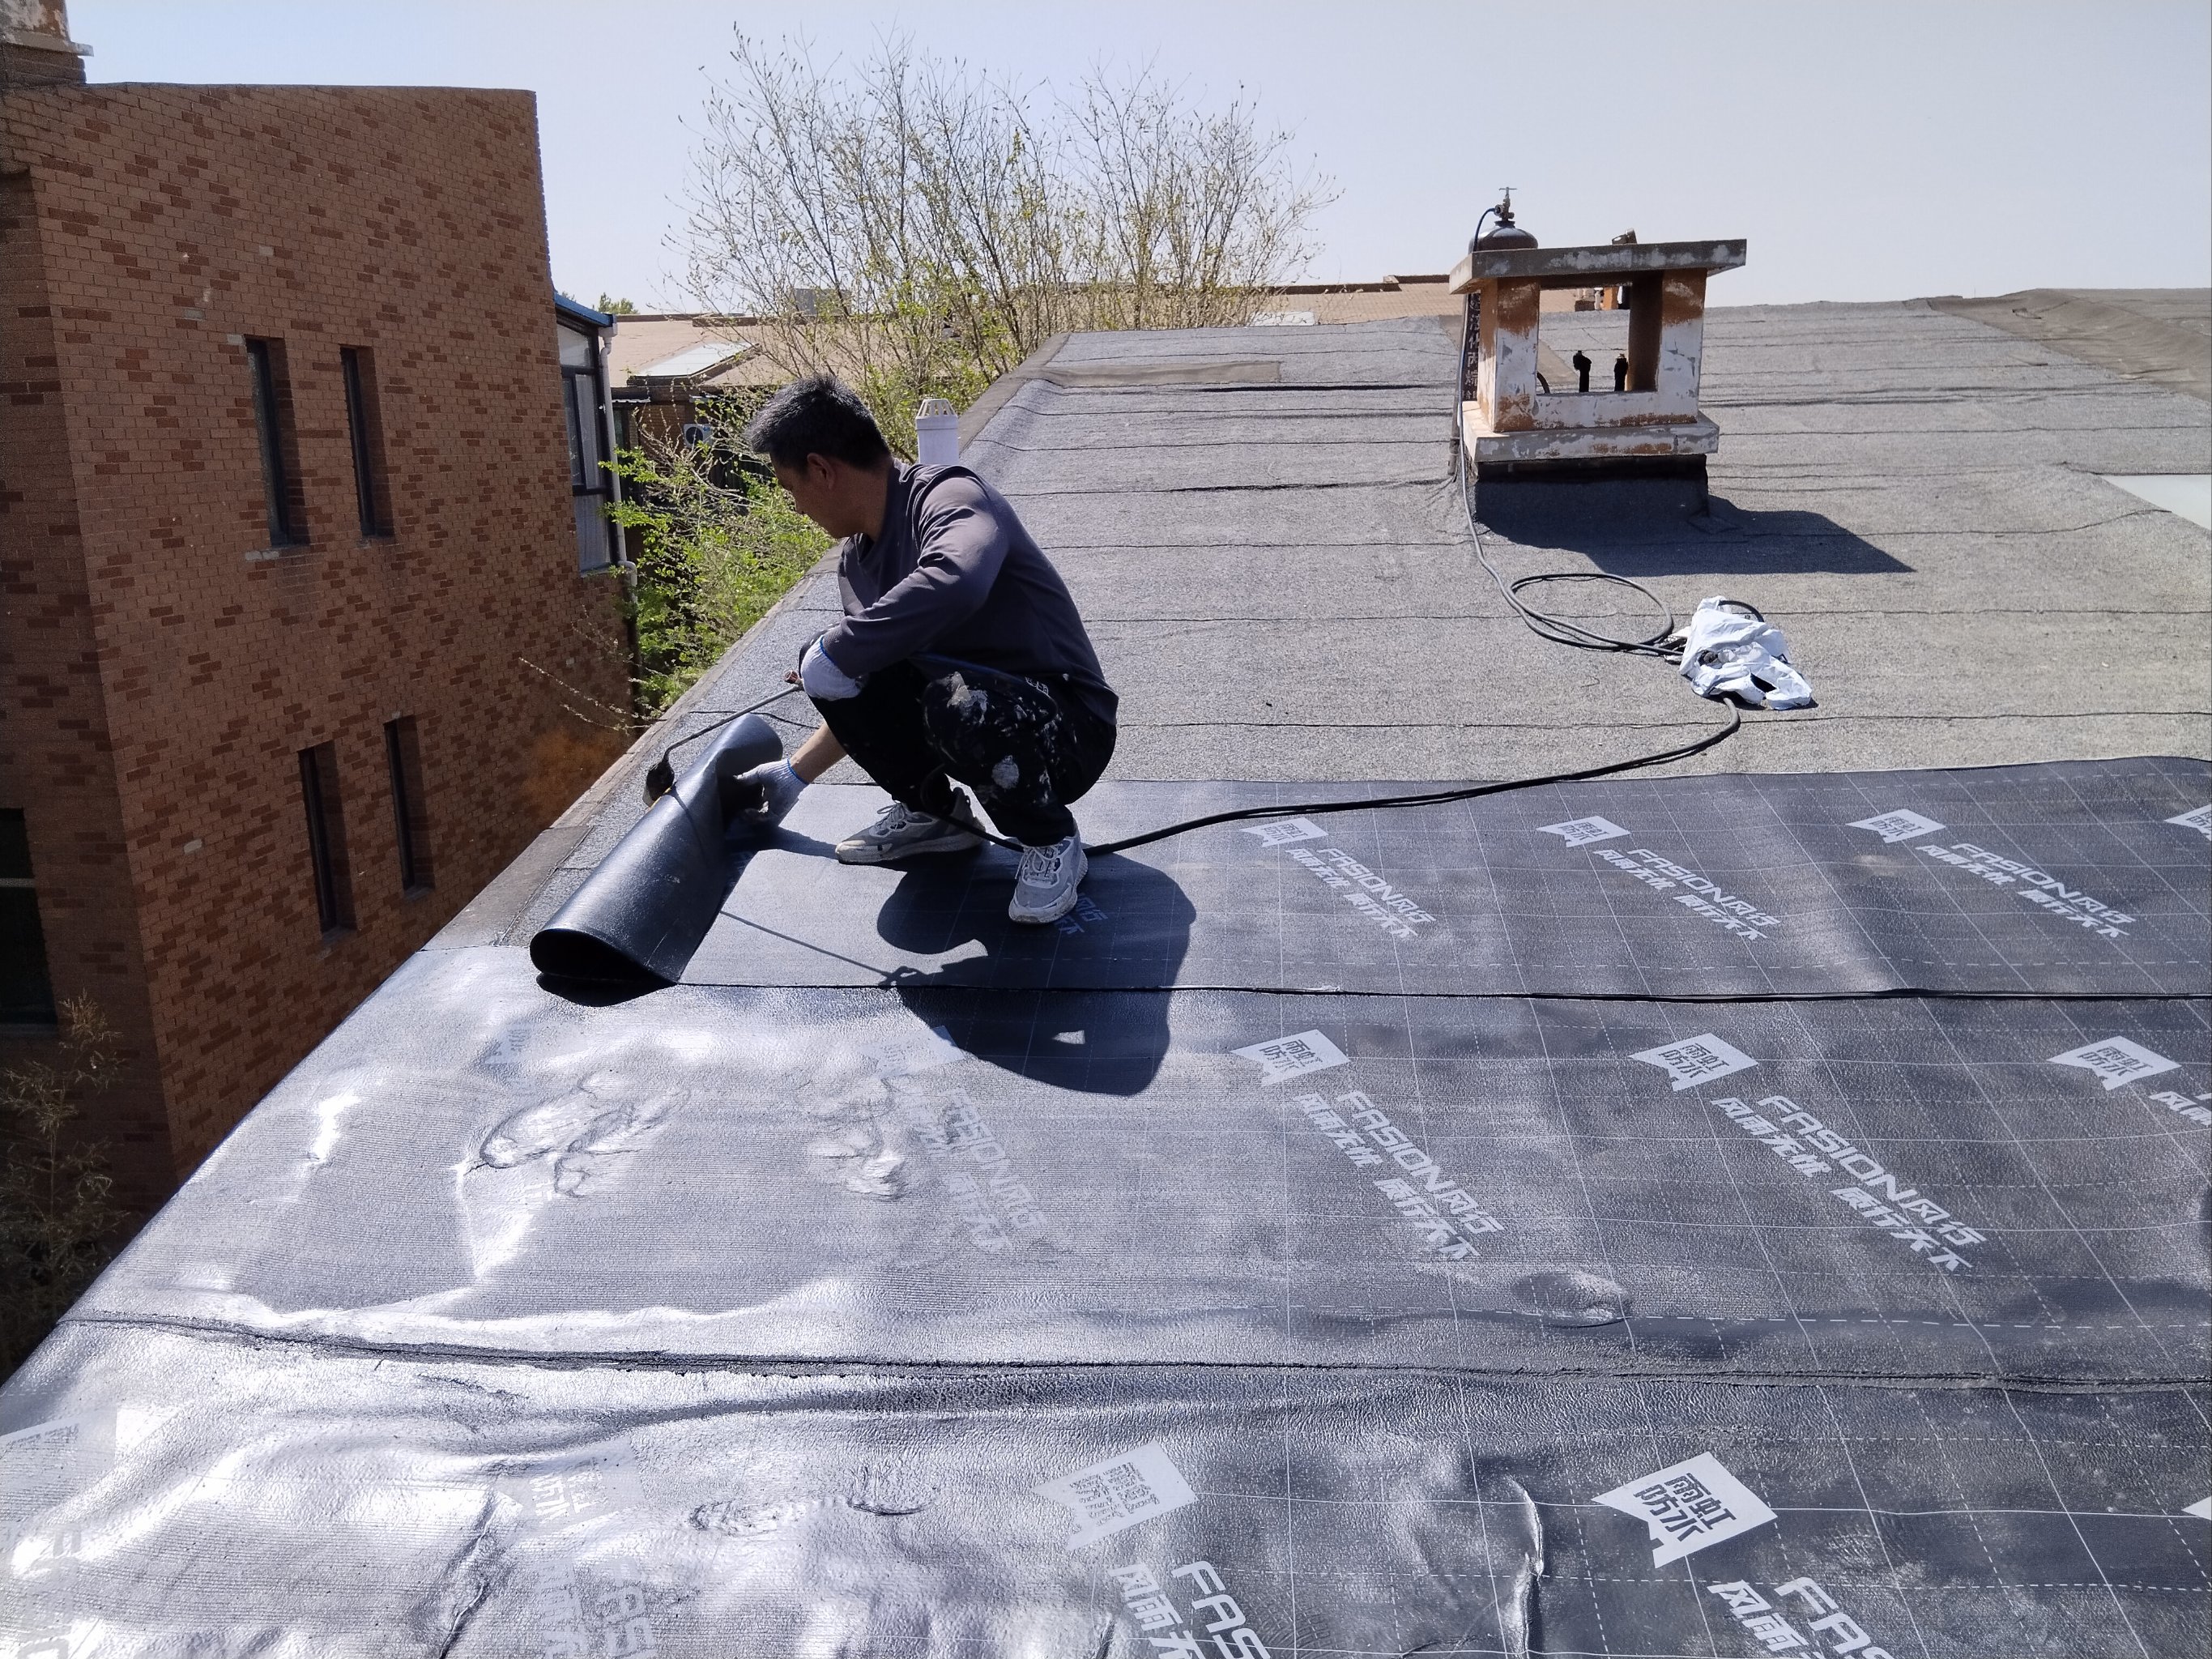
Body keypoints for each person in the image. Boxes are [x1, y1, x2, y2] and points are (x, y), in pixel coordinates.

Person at [727, 375, 1118, 926]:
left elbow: (957, 580)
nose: (795, 508)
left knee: (941, 695)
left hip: (1068, 730)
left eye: (790, 489)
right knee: (842, 664)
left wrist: (840, 649)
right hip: (977, 718)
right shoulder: (856, 561)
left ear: (821, 469)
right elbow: (865, 690)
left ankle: (1051, 839)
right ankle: (933, 814)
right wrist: (794, 774)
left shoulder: (948, 497)